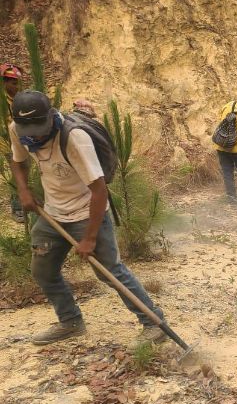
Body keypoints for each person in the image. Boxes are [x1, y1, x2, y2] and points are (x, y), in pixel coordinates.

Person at [8, 91, 168, 345]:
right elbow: (17, 162)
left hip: (88, 211)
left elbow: (99, 190)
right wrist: (24, 190)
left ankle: (153, 323)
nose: (35, 134)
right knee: (43, 271)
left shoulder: (74, 138)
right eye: (30, 129)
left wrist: (89, 238)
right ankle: (70, 322)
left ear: (50, 117)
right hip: (53, 213)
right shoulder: (19, 130)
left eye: (40, 127)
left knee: (109, 272)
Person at [1, 63, 26, 223]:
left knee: (25, 170)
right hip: (6, 142)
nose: (17, 86)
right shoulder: (3, 102)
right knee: (17, 171)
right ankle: (17, 208)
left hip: (21, 140)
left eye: (18, 83)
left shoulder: (17, 99)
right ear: (4, 82)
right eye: (14, 83)